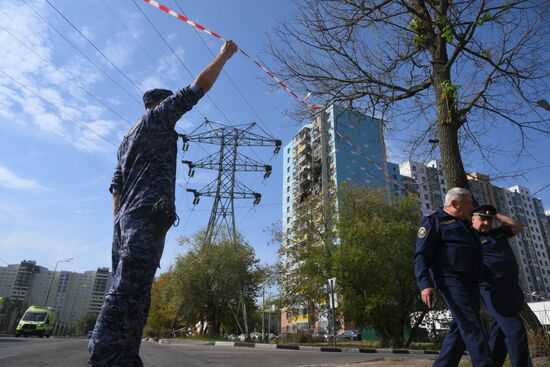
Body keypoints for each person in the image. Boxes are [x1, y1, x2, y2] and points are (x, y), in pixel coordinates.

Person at [88, 40, 238, 367]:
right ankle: (103, 359)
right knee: (129, 291)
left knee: (136, 292)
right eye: (167, 102)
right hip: (145, 216)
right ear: (158, 103)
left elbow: (115, 187)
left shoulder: (126, 139)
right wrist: (223, 55)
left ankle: (124, 358)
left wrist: (119, 224)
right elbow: (196, 90)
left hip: (129, 220)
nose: (172, 106)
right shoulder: (157, 119)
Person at [414, 187, 493, 367]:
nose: (472, 207)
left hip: (472, 282)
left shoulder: (465, 225)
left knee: (460, 328)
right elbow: (421, 256)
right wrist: (425, 284)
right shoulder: (434, 220)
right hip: (451, 281)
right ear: (455, 203)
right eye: (469, 203)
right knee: (472, 327)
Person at [471, 205, 532, 367]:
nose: (486, 222)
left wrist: (496, 215)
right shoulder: (470, 238)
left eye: (489, 220)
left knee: (498, 332)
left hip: (509, 286)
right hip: (491, 286)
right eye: (482, 219)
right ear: (472, 219)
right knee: (515, 328)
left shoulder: (496, 234)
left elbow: (518, 226)